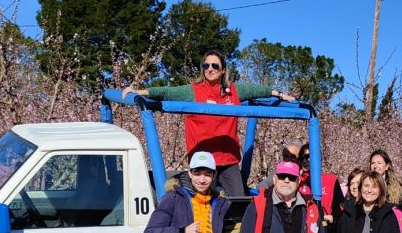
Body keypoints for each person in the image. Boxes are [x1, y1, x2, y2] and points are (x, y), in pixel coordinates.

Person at [123, 51, 295, 196]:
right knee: (204, 202)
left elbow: (256, 90)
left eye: (215, 66)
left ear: (223, 69)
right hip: (203, 159)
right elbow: (167, 92)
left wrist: (279, 94)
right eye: (206, 66)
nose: (210, 69)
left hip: (228, 158)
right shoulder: (193, 90)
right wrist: (139, 92)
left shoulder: (233, 91)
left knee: (238, 199)